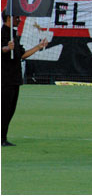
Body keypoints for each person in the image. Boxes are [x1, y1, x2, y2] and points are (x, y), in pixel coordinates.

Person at [2, 12, 48, 146]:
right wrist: (6, 48)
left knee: (10, 110)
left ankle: (3, 137)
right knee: (4, 110)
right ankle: (1, 138)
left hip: (14, 79)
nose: (20, 20)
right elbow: (2, 49)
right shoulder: (2, 34)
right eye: (17, 18)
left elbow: (22, 55)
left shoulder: (14, 35)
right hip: (4, 79)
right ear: (9, 18)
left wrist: (39, 47)